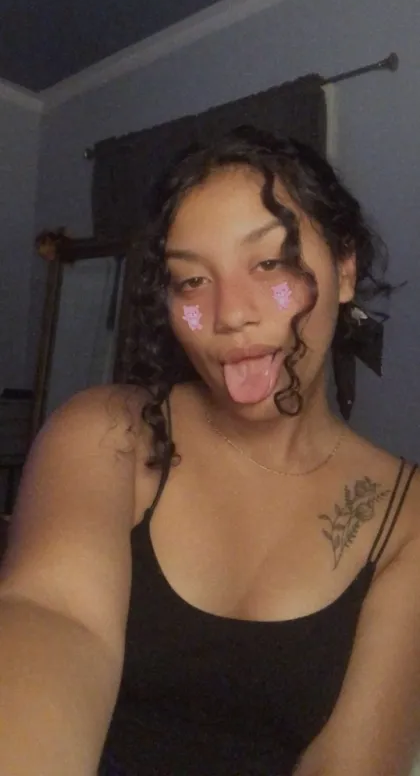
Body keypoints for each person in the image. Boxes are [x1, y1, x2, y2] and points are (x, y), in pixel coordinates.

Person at [0, 127, 419, 776]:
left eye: (270, 263)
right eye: (191, 280)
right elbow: (53, 617)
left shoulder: (406, 518)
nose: (228, 314)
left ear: (343, 270)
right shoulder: (109, 433)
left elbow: (354, 762)